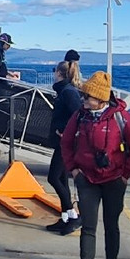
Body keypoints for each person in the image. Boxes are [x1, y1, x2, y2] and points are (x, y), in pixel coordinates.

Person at [61, 71, 130, 259]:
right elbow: (66, 143)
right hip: (87, 178)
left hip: (114, 179)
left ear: (100, 98)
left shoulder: (121, 118)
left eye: (88, 96)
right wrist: (74, 170)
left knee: (111, 225)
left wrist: (126, 174)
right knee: (88, 226)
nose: (84, 100)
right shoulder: (80, 116)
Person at [46, 59, 84, 235]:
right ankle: (65, 218)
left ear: (59, 74)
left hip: (66, 143)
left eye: (55, 71)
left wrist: (67, 132)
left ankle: (73, 215)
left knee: (53, 178)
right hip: (61, 141)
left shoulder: (68, 92)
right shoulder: (64, 91)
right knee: (61, 179)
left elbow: (78, 114)